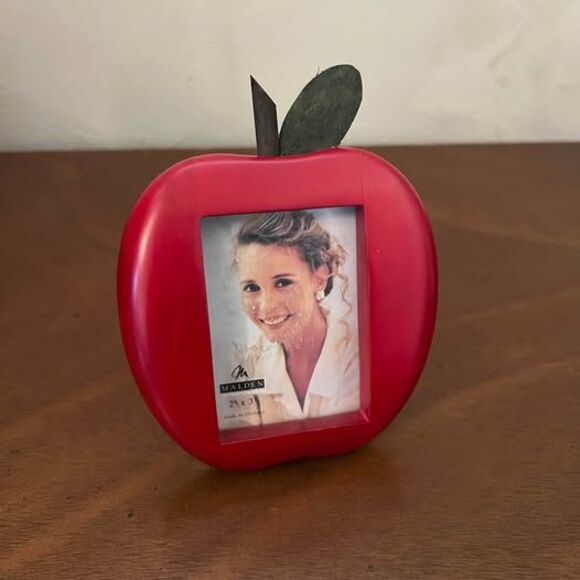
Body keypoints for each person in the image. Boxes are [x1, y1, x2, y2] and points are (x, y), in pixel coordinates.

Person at [217, 210, 360, 431]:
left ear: (319, 279)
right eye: (251, 287)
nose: (266, 307)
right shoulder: (246, 365)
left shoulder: (357, 356)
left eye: (283, 283)